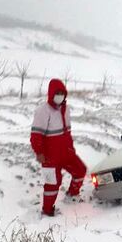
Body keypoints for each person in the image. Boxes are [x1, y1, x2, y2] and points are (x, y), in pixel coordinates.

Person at [30, 79, 87, 216]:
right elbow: (36, 135)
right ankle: (47, 210)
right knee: (53, 183)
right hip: (50, 156)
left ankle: (72, 194)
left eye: (62, 93)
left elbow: (67, 132)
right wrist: (39, 152)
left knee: (80, 170)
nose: (60, 95)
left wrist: (71, 148)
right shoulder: (42, 111)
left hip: (66, 153)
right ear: (51, 93)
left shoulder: (66, 110)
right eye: (57, 93)